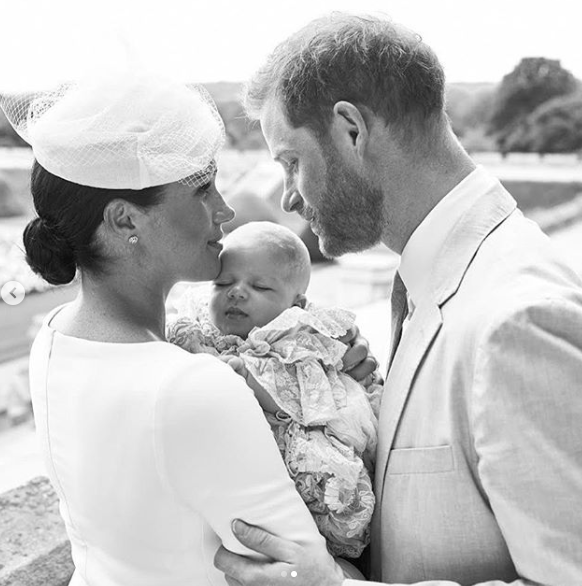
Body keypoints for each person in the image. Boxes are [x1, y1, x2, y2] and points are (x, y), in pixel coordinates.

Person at [213, 12, 582, 586]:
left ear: (351, 131)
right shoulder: (433, 279)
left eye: (291, 161)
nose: (286, 197)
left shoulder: (518, 320)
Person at [0, 71, 374, 585]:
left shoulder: (57, 335)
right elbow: (305, 571)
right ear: (125, 220)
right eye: (202, 190)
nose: (225, 210)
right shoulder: (194, 385)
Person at [168, 221, 383, 559]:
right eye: (223, 282)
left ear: (296, 304)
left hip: (296, 456)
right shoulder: (196, 327)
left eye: (260, 287)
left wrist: (243, 378)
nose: (237, 291)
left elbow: (296, 394)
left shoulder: (296, 339)